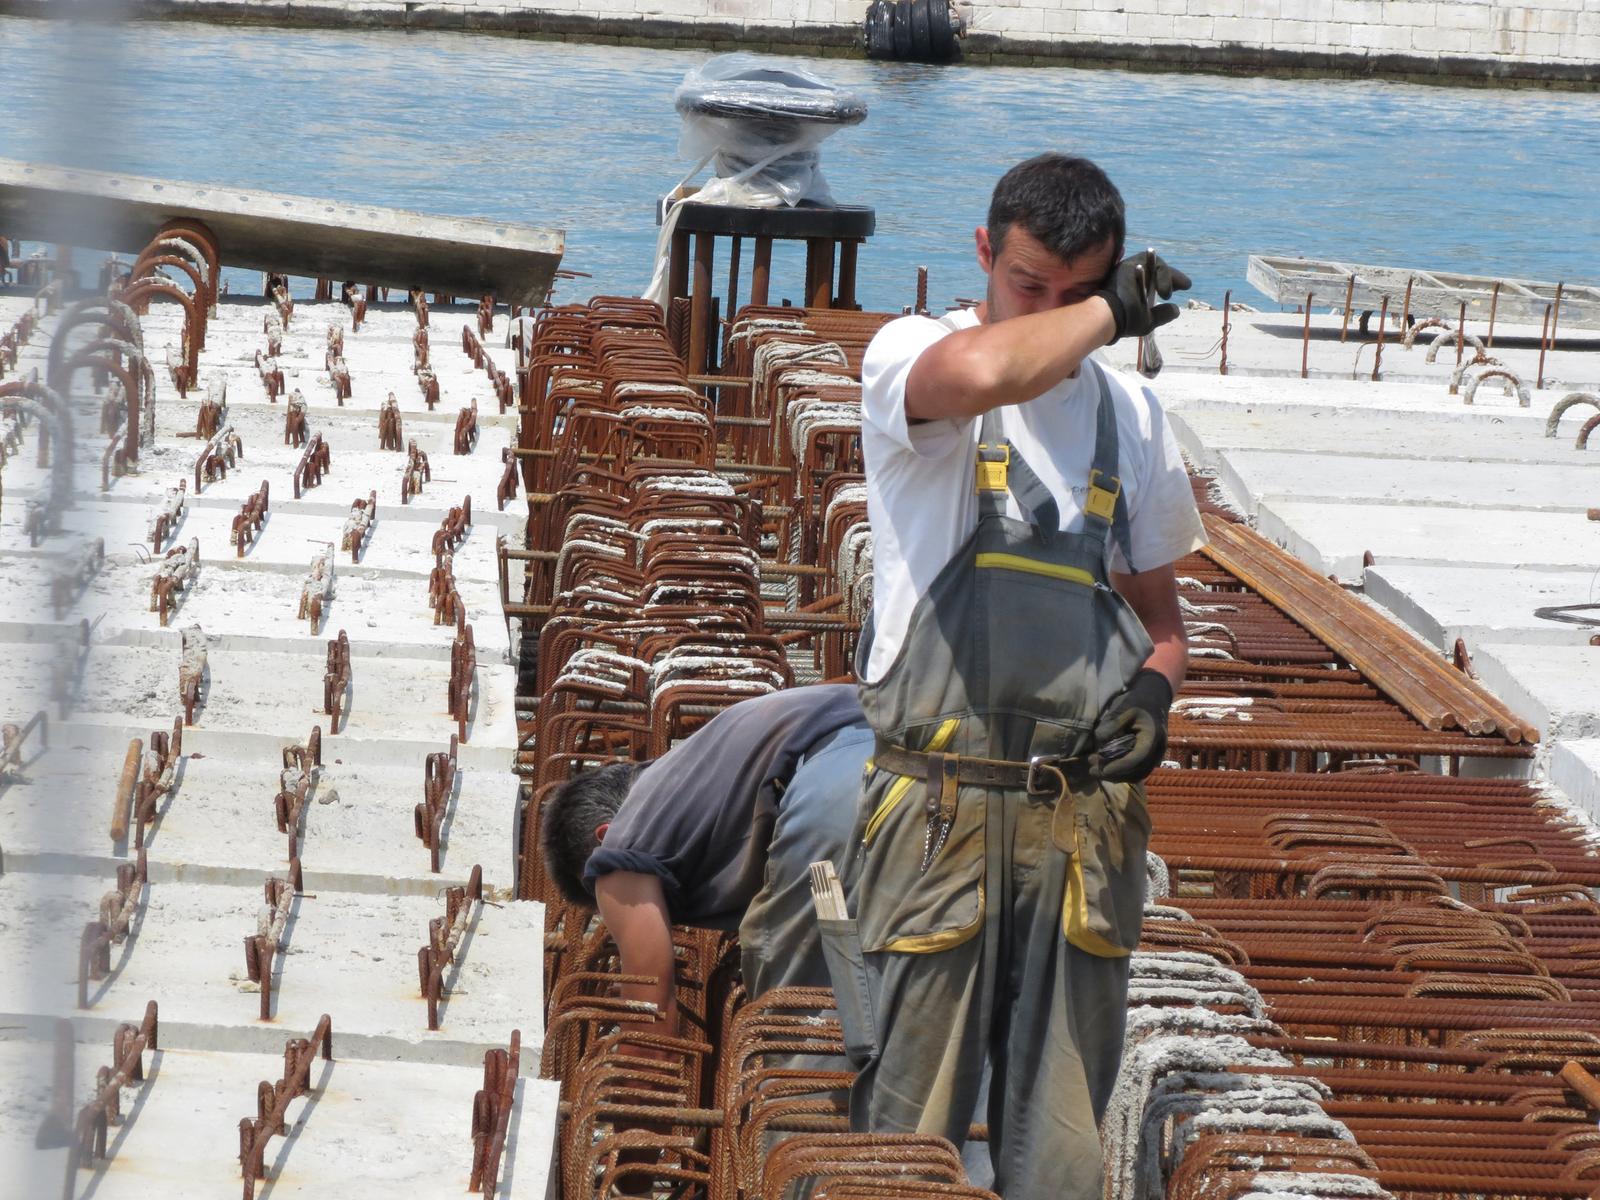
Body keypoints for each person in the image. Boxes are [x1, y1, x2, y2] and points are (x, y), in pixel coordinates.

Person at [840, 153, 1205, 1200]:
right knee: (903, 1138)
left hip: (1078, 833)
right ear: (983, 258)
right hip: (937, 820)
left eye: (1075, 293)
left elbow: (1162, 627)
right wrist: (1107, 315)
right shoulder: (915, 357)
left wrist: (1153, 696)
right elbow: (991, 373)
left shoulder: (1129, 422)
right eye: (1026, 286)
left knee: (1058, 1149)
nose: (1048, 312)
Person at [540, 683, 873, 1038]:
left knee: (795, 1012)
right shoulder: (687, 771)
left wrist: (637, 1078)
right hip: (912, 756)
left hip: (834, 793)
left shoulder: (622, 842)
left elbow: (649, 1014)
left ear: (604, 837)